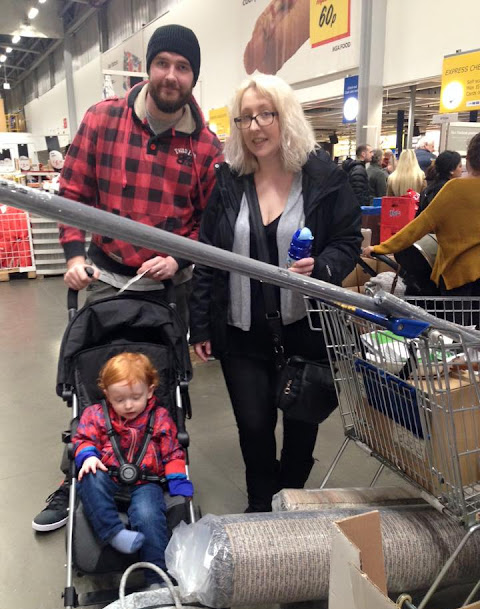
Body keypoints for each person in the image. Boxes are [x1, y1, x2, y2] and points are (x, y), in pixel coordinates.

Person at [33, 24, 222, 533]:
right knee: (97, 382)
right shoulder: (103, 120)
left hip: (166, 286)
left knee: (159, 386)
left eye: (183, 67)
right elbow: (71, 191)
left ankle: (164, 473)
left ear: (193, 77)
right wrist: (74, 254)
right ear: (148, 68)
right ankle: (76, 472)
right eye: (163, 63)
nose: (171, 75)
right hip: (105, 276)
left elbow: (209, 225)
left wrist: (180, 263)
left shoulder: (205, 146)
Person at [189, 74, 362, 512]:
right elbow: (209, 254)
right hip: (241, 333)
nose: (254, 126)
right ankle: (260, 507)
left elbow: (347, 241)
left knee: (302, 428)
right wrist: (200, 323)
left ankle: (291, 502)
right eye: (245, 117)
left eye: (266, 114)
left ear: (286, 118)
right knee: (254, 428)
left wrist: (322, 268)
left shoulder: (322, 177)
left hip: (305, 329)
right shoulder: (229, 180)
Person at [73, 352, 193, 585]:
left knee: (149, 516)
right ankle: (114, 533)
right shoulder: (95, 415)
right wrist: (87, 456)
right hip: (107, 476)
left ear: (150, 391)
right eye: (119, 400)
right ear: (106, 394)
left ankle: (157, 578)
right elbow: (83, 438)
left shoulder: (159, 418)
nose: (128, 405)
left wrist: (178, 481)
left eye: (135, 397)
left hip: (146, 483)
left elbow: (172, 451)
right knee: (88, 477)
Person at [363, 133, 480, 296]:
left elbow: (418, 227)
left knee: (453, 321)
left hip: (461, 278)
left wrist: (381, 248)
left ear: (468, 159)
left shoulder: (455, 189)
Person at [416, 150, 462, 216]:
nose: (461, 170)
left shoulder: (429, 189)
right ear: (451, 170)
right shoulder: (449, 190)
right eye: (459, 166)